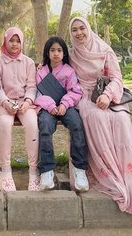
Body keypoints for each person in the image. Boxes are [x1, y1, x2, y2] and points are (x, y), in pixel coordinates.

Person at [68, 17, 132, 215]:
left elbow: (117, 78)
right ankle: (107, 173)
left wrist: (107, 95)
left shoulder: (104, 50)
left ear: (89, 29)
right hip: (83, 95)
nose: (79, 33)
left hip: (107, 93)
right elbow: (59, 71)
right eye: (74, 30)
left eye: (82, 28)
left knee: (121, 119)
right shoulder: (72, 54)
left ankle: (126, 175)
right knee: (96, 117)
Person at [35, 37, 89, 191]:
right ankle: (46, 171)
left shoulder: (69, 71)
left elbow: (75, 91)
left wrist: (65, 104)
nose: (56, 54)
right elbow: (38, 94)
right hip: (48, 108)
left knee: (77, 125)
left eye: (59, 50)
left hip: (66, 107)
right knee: (44, 126)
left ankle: (80, 169)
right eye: (52, 50)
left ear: (64, 53)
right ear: (47, 52)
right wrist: (50, 106)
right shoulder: (41, 71)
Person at [0, 27, 39, 192]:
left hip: (24, 104)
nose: (14, 44)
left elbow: (32, 86)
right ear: (5, 40)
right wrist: (5, 103)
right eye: (11, 40)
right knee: (5, 124)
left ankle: (34, 171)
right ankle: (5, 170)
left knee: (33, 123)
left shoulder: (29, 62)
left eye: (18, 41)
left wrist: (28, 101)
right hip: (4, 104)